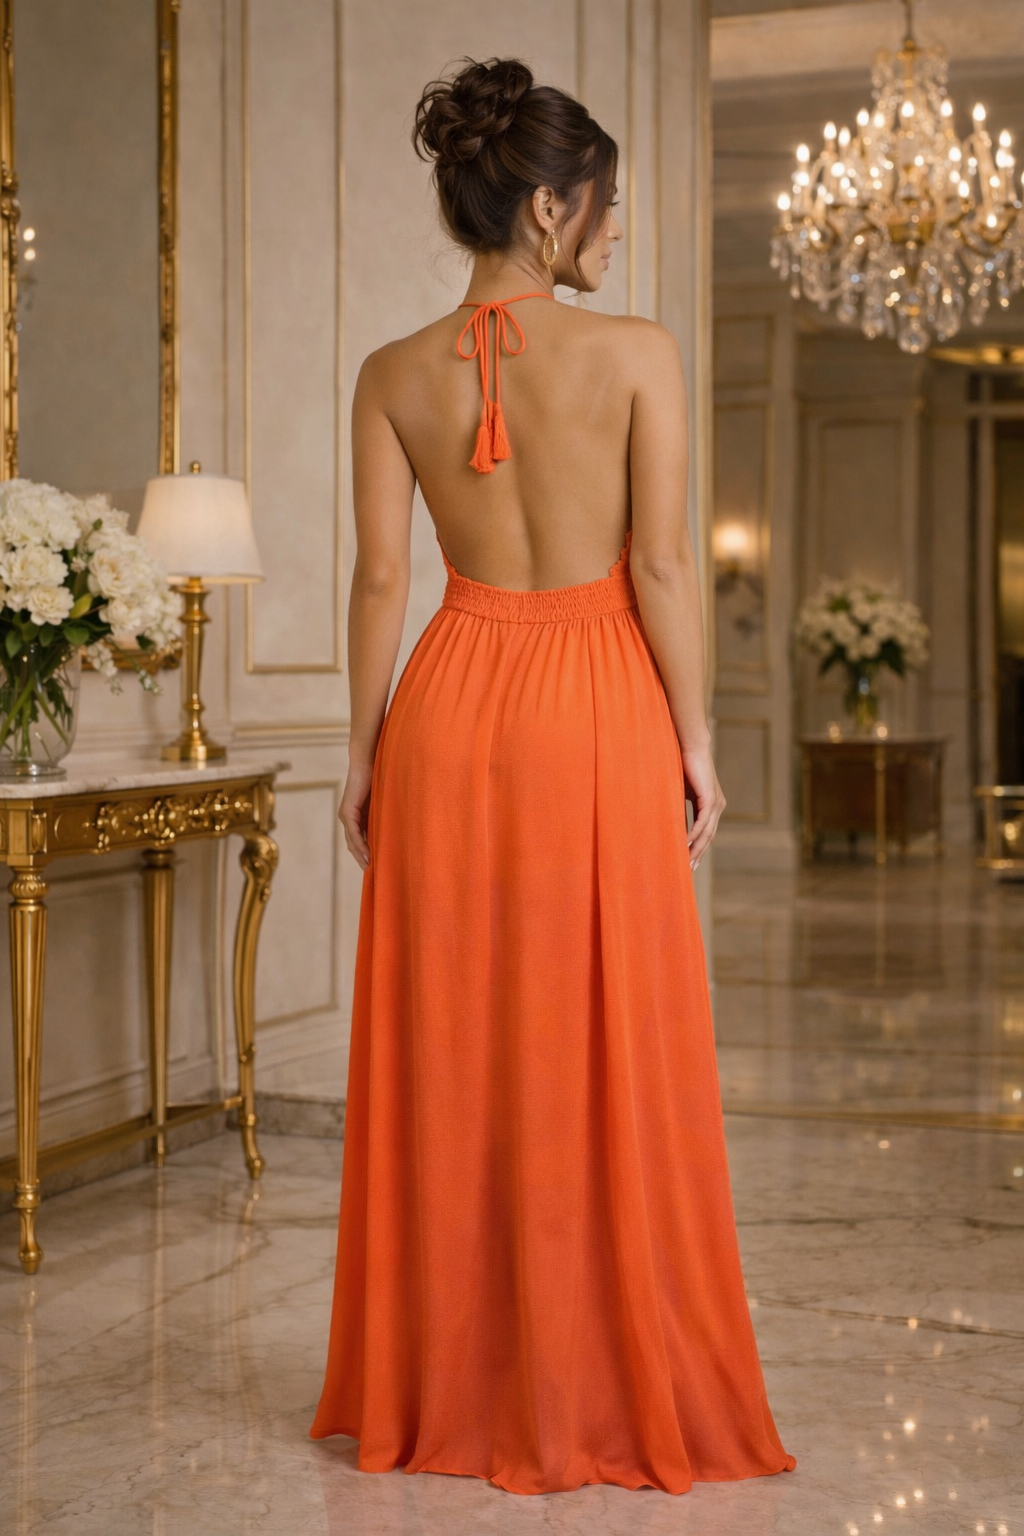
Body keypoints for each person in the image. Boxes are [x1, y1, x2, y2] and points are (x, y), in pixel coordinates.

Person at [310, 56, 795, 1496]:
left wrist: (360, 751)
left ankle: (445, 1380)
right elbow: (655, 565)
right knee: (608, 1041)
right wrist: (695, 743)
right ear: (543, 207)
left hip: (450, 706)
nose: (617, 229)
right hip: (594, 704)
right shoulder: (638, 352)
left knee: (455, 1041)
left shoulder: (390, 372)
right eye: (606, 204)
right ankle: (599, 1370)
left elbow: (381, 578)